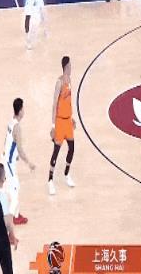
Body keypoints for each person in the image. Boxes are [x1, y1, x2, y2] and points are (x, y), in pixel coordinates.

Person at [1, 98, 35, 225]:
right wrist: (29, 163)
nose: (24, 111)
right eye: (23, 108)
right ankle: (12, 218)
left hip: (6, 160)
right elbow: (20, 149)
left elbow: (8, 142)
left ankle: (14, 213)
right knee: (14, 189)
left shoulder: (11, 121)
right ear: (20, 111)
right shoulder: (17, 128)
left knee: (10, 188)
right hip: (8, 163)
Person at [48, 56, 77, 196]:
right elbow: (54, 104)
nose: (71, 68)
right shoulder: (59, 82)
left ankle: (66, 174)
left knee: (72, 148)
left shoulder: (69, 80)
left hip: (67, 121)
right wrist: (53, 125)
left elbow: (69, 101)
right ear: (65, 67)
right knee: (56, 151)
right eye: (70, 66)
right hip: (59, 122)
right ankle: (50, 181)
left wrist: (72, 117)